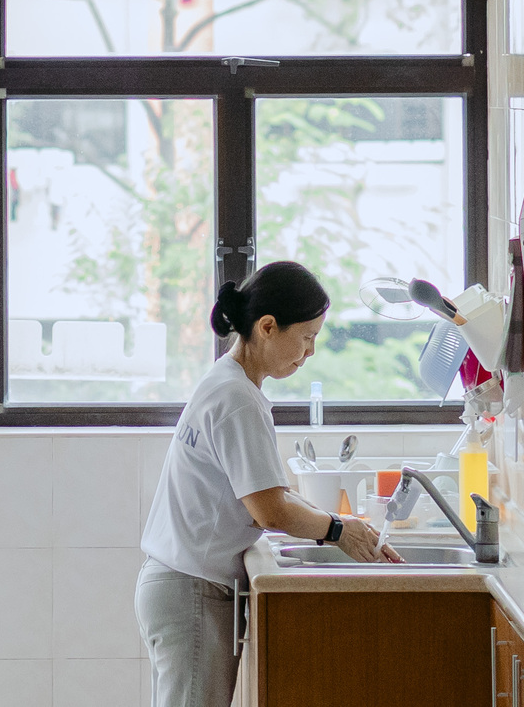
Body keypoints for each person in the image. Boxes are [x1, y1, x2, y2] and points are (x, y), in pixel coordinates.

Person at [134, 261, 400, 707]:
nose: (310, 352)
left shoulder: (229, 381)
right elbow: (271, 510)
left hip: (180, 584)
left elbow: (270, 493)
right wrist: (338, 530)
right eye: (307, 336)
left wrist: (340, 524)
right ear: (268, 327)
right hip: (191, 591)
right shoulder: (237, 398)